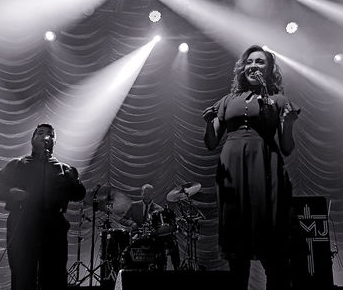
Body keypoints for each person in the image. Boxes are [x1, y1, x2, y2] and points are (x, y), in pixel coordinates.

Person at [203, 45, 300, 290]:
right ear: (242, 68)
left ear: (269, 71)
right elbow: (211, 142)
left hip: (265, 168)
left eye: (259, 62)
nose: (253, 66)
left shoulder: (278, 100)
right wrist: (208, 124)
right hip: (232, 170)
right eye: (249, 62)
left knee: (271, 241)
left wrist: (287, 124)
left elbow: (287, 147)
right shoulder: (227, 100)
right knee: (237, 245)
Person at [0, 123, 86, 290]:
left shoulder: (64, 169)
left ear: (54, 142)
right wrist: (11, 191)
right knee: (23, 274)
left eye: (50, 134)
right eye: (40, 133)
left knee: (54, 275)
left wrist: (74, 180)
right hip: (22, 222)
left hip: (53, 225)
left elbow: (79, 194)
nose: (45, 136)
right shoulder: (17, 164)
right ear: (32, 139)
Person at [119, 184, 180, 270]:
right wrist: (132, 224)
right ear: (141, 194)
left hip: (153, 239)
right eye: (145, 194)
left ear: (153, 194)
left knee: (167, 245)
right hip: (137, 237)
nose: (147, 196)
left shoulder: (159, 209)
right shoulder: (134, 205)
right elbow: (122, 219)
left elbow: (162, 229)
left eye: (149, 194)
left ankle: (165, 267)